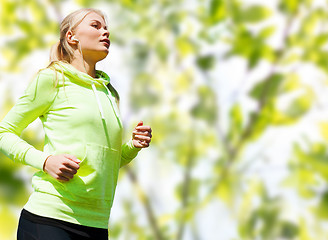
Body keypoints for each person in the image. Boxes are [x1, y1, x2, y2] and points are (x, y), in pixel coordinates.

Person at [0, 8, 152, 240]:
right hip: (50, 219)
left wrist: (132, 146)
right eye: (96, 26)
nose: (106, 32)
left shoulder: (109, 93)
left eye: (106, 27)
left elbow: (105, 162)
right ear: (72, 37)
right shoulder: (52, 79)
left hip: (97, 225)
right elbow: (4, 133)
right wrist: (46, 161)